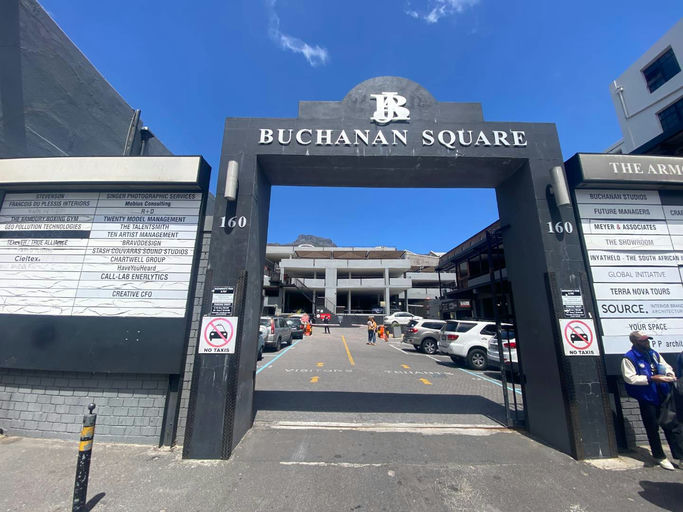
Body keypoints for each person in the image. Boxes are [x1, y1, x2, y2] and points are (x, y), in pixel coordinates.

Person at [621, 331, 683, 470]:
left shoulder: (653, 353)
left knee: (672, 425)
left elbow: (665, 365)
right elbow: (630, 378)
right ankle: (659, 456)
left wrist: (668, 373)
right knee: (652, 427)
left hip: (663, 394)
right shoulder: (629, 358)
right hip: (647, 398)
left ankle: (680, 456)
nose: (647, 343)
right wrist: (651, 379)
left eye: (647, 340)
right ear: (636, 342)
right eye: (643, 341)